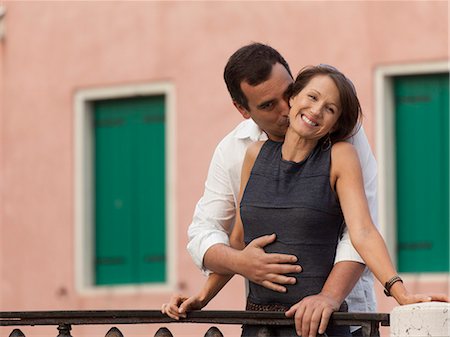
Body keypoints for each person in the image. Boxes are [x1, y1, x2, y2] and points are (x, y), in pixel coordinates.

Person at [163, 65, 448, 337]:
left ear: (335, 123)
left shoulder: (341, 157)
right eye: (312, 97)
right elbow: (239, 240)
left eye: (330, 109)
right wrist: (202, 296)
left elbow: (362, 231)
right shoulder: (253, 154)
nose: (316, 111)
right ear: (294, 97)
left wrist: (400, 293)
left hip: (316, 322)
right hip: (259, 323)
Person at [181, 43, 376, 337]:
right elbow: (205, 233)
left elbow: (358, 232)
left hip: (340, 315)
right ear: (242, 110)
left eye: (288, 94)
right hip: (265, 323)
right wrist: (239, 264)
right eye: (268, 105)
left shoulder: (343, 138)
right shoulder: (234, 151)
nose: (287, 110)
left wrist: (329, 298)